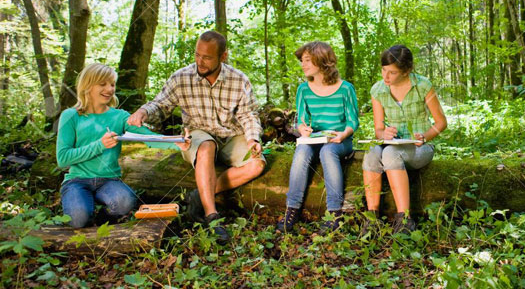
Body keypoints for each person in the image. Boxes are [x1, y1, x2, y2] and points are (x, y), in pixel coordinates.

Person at [128, 30, 264, 242]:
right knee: (206, 146)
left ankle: (198, 195)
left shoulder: (239, 80)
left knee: (257, 164)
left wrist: (252, 138)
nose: (200, 61)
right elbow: (160, 105)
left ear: (223, 56)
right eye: (197, 55)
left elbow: (248, 115)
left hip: (231, 136)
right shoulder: (181, 78)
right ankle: (212, 216)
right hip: (199, 136)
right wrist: (143, 112)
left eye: (207, 57)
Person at [57, 63, 190, 229]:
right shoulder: (71, 116)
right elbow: (63, 159)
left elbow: (147, 137)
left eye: (112, 84)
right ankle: (83, 213)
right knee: (78, 220)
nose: (110, 89)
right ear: (88, 85)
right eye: (103, 84)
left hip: (108, 181)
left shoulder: (119, 116)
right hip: (77, 181)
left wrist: (176, 143)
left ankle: (102, 221)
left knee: (125, 202)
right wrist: (100, 145)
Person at [362, 45, 447, 234]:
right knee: (371, 154)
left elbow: (441, 122)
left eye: (392, 72)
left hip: (420, 148)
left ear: (406, 71)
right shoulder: (378, 90)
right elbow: (378, 129)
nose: (386, 77)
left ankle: (405, 219)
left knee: (391, 153)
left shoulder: (422, 86)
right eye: (384, 70)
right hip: (391, 146)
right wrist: (383, 134)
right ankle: (372, 218)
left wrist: (425, 136)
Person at [276, 42, 359, 233]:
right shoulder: (303, 90)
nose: (303, 65)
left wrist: (343, 134)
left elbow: (353, 122)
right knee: (302, 149)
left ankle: (334, 213)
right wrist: (303, 129)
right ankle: (292, 210)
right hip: (314, 139)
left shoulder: (346, 88)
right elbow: (301, 120)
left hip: (340, 141)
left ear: (321, 61)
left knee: (329, 151)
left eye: (307, 60)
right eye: (302, 61)